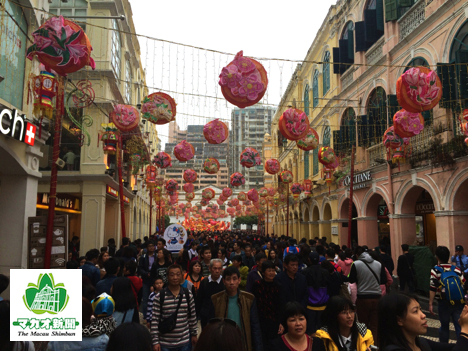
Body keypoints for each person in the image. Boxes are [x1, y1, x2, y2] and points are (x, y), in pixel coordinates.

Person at [378, 293, 468, 351]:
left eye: (421, 309)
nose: (423, 315)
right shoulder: (393, 350)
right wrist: (464, 330)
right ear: (399, 320)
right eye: (415, 311)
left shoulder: (421, 343)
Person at [212, 266, 263, 351]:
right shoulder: (215, 299)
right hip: (223, 342)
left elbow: (255, 326)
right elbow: (212, 326)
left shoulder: (249, 299)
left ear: (239, 280)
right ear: (224, 281)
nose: (231, 282)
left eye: (234, 279)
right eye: (228, 279)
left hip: (243, 342)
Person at [150, 264, 198, 351]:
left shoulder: (188, 295)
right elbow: (155, 320)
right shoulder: (160, 296)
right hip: (165, 343)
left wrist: (194, 334)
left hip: (184, 342)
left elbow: (192, 317)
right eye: (172, 275)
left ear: (182, 276)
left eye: (178, 274)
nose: (175, 277)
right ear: (167, 277)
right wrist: (155, 341)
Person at [348, 246, 386, 340]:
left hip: (363, 297)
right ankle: (375, 346)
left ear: (357, 255)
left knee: (362, 324)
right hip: (377, 296)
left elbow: (351, 280)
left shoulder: (356, 264)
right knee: (375, 325)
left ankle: (364, 345)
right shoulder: (378, 264)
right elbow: (383, 280)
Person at [429, 245, 466, 342]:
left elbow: (432, 287)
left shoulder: (436, 269)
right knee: (459, 326)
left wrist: (430, 303)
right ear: (448, 256)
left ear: (437, 257)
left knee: (444, 326)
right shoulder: (456, 269)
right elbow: (464, 284)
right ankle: (462, 347)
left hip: (443, 301)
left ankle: (444, 347)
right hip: (458, 301)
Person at [252, 260, 285, 348]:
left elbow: (281, 305)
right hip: (260, 321)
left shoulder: (279, 286)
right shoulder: (257, 285)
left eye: (273, 270)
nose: (271, 273)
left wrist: (281, 322)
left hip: (275, 321)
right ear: (263, 272)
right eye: (269, 270)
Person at [302, 252, 331, 334]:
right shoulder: (325, 272)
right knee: (323, 330)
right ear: (319, 259)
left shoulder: (304, 272)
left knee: (310, 330)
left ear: (309, 260)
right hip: (323, 305)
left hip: (309, 306)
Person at [196, 258, 225, 328]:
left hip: (220, 316)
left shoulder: (224, 282)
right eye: (215, 268)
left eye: (219, 268)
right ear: (210, 268)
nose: (217, 271)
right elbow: (199, 300)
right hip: (206, 316)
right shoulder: (204, 282)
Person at [139, 240, 156, 316]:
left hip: (155, 279)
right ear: (146, 248)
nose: (151, 248)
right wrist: (146, 274)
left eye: (152, 246)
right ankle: (145, 315)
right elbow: (140, 268)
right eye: (149, 246)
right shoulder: (143, 257)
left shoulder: (157, 256)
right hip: (146, 279)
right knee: (146, 297)